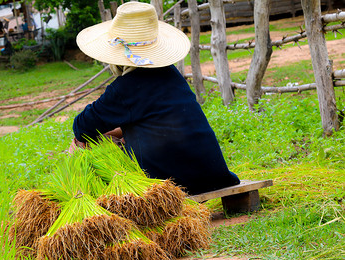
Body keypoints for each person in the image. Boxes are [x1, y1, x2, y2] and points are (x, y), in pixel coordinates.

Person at [71, 2, 240, 195]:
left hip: (170, 185)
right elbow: (158, 120)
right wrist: (114, 134)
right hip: (212, 174)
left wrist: (87, 140)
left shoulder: (126, 87)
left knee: (94, 152)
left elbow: (82, 126)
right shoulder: (171, 75)